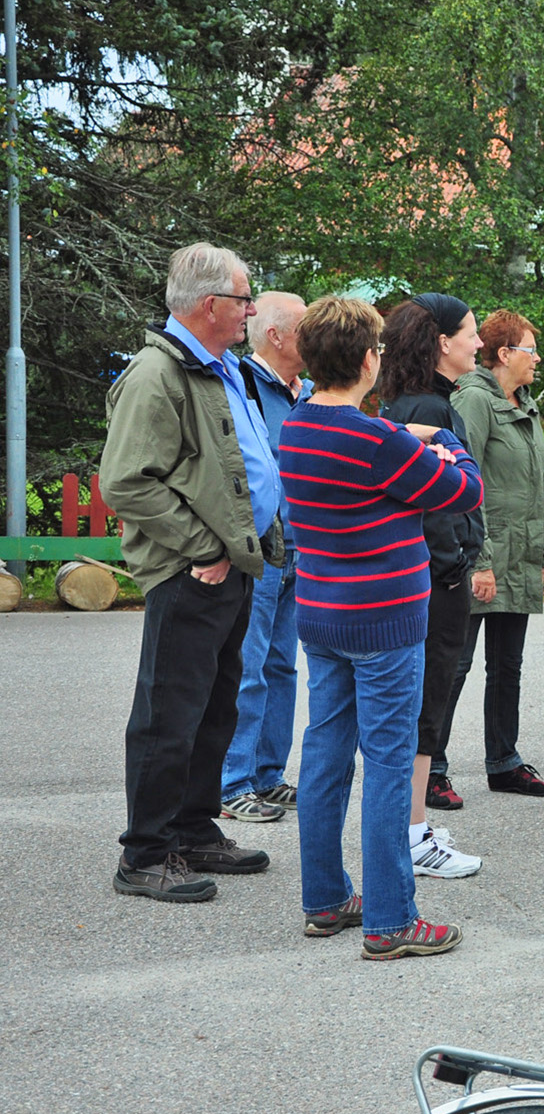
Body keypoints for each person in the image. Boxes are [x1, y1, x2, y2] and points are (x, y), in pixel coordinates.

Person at [284, 295, 485, 958]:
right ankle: (392, 919)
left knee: (325, 753)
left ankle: (325, 898)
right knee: (391, 765)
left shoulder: (297, 427)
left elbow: (383, 467)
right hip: (386, 619)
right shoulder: (375, 440)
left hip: (323, 611)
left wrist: (407, 443)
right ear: (370, 360)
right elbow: (462, 490)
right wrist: (447, 444)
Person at [101, 243, 282, 903]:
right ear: (211, 305)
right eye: (243, 298)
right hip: (193, 570)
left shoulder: (218, 366)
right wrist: (202, 546)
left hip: (232, 566)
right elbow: (126, 481)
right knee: (168, 714)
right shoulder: (159, 373)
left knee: (213, 706)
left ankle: (194, 829)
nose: (251, 309)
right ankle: (145, 855)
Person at [376, 294, 487, 877]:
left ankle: (412, 824)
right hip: (435, 577)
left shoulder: (418, 400)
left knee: (421, 703)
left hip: (423, 573)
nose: (479, 343)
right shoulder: (429, 408)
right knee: (427, 708)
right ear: (442, 342)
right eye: (470, 333)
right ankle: (414, 835)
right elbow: (435, 501)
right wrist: (452, 564)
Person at [436, 309, 544, 800]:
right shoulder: (473, 400)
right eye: (530, 350)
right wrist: (480, 560)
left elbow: (535, 486)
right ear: (504, 354)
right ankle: (434, 765)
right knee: (455, 664)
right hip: (484, 553)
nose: (538, 359)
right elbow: (465, 484)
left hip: (522, 554)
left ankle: (504, 762)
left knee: (507, 665)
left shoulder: (525, 405)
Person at [217, 290, 311, 823]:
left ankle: (269, 776)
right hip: (263, 550)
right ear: (275, 335)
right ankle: (232, 784)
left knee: (283, 666)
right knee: (248, 668)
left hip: (306, 551)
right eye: (305, 327)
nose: (316, 337)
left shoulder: (313, 392)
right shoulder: (242, 386)